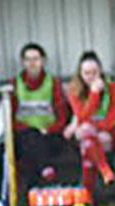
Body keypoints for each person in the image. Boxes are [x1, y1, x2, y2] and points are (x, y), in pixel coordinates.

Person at [10, 43, 73, 193]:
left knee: (34, 147)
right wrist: (28, 129)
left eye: (36, 59)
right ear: (23, 62)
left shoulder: (53, 83)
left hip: (50, 134)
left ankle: (35, 191)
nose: (32, 63)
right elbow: (11, 117)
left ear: (43, 61)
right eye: (28, 59)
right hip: (24, 136)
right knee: (30, 141)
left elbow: (62, 115)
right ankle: (46, 177)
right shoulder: (15, 85)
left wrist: (49, 130)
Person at [64, 51, 115, 202]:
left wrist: (92, 127)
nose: (91, 77)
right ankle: (104, 169)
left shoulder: (113, 87)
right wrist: (94, 94)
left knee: (87, 143)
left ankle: (87, 196)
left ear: (100, 71)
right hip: (88, 133)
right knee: (87, 138)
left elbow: (112, 117)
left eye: (94, 72)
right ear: (80, 73)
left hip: (111, 131)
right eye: (86, 73)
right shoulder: (74, 89)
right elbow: (82, 115)